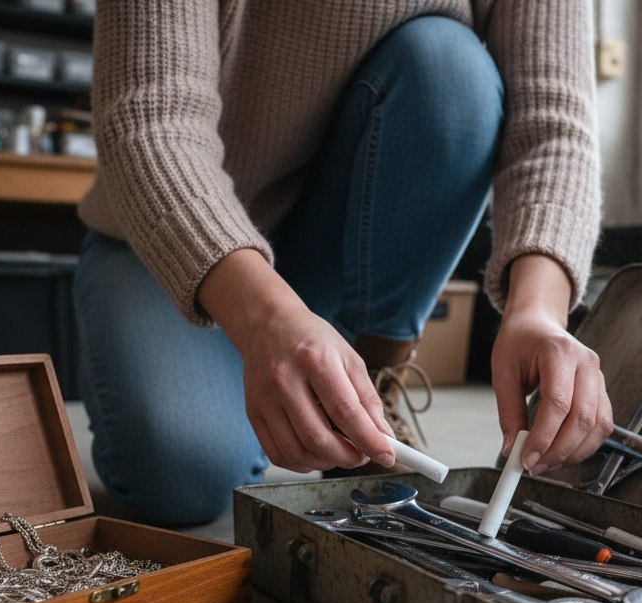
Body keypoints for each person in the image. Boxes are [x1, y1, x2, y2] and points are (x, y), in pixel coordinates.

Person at [74, 1, 613, 526]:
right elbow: (150, 121)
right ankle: (289, 372)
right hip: (171, 236)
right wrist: (265, 320)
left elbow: (554, 129)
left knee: (451, 71)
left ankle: (366, 381)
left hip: (333, 240)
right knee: (181, 479)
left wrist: (537, 313)